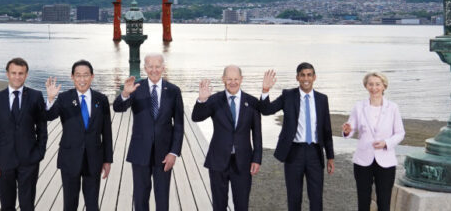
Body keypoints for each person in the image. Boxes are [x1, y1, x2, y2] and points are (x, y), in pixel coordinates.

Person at [113, 53, 184, 211]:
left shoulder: (173, 91)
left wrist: (174, 152)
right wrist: (125, 94)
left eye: (157, 66)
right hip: (140, 152)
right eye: (150, 66)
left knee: (162, 198)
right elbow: (118, 108)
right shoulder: (135, 88)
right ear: (144, 68)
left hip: (164, 154)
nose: (154, 70)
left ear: (163, 68)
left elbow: (179, 124)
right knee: (140, 198)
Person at [260, 63, 334, 211]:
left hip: (315, 153)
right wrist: (265, 90)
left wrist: (330, 157)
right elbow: (266, 110)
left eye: (309, 75)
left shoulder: (322, 99)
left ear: (314, 77)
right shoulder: (288, 96)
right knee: (294, 197)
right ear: (297, 77)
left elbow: (326, 130)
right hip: (294, 152)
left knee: (316, 198)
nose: (306, 78)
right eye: (302, 75)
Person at [44, 60, 112, 211]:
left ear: (92, 76)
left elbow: (107, 132)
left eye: (86, 75)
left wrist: (107, 160)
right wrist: (50, 99)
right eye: (78, 75)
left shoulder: (101, 99)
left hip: (94, 159)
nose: (82, 79)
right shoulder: (64, 98)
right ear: (72, 77)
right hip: (70, 158)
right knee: (70, 204)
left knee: (93, 205)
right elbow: (49, 116)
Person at [191, 65, 262, 211]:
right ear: (223, 79)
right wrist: (201, 100)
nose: (233, 82)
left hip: (243, 161)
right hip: (218, 161)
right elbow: (196, 117)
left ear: (241, 79)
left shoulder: (252, 102)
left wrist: (257, 158)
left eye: (236, 79)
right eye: (229, 79)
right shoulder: (214, 100)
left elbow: (257, 134)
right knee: (219, 205)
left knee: (242, 205)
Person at [0, 57, 48, 211]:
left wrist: (39, 153)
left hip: (29, 159)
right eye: (14, 73)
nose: (17, 77)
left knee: (27, 205)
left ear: (26, 75)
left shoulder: (36, 96)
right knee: (6, 206)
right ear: (7, 74)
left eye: (21, 73)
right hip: (4, 160)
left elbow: (42, 128)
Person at [342, 72, 405, 211]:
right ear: (366, 86)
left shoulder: (393, 108)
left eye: (377, 84)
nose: (374, 87)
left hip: (386, 161)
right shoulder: (359, 106)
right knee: (363, 200)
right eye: (370, 84)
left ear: (384, 86)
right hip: (363, 160)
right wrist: (347, 131)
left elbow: (400, 133)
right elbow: (351, 128)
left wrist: (386, 143)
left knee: (384, 201)